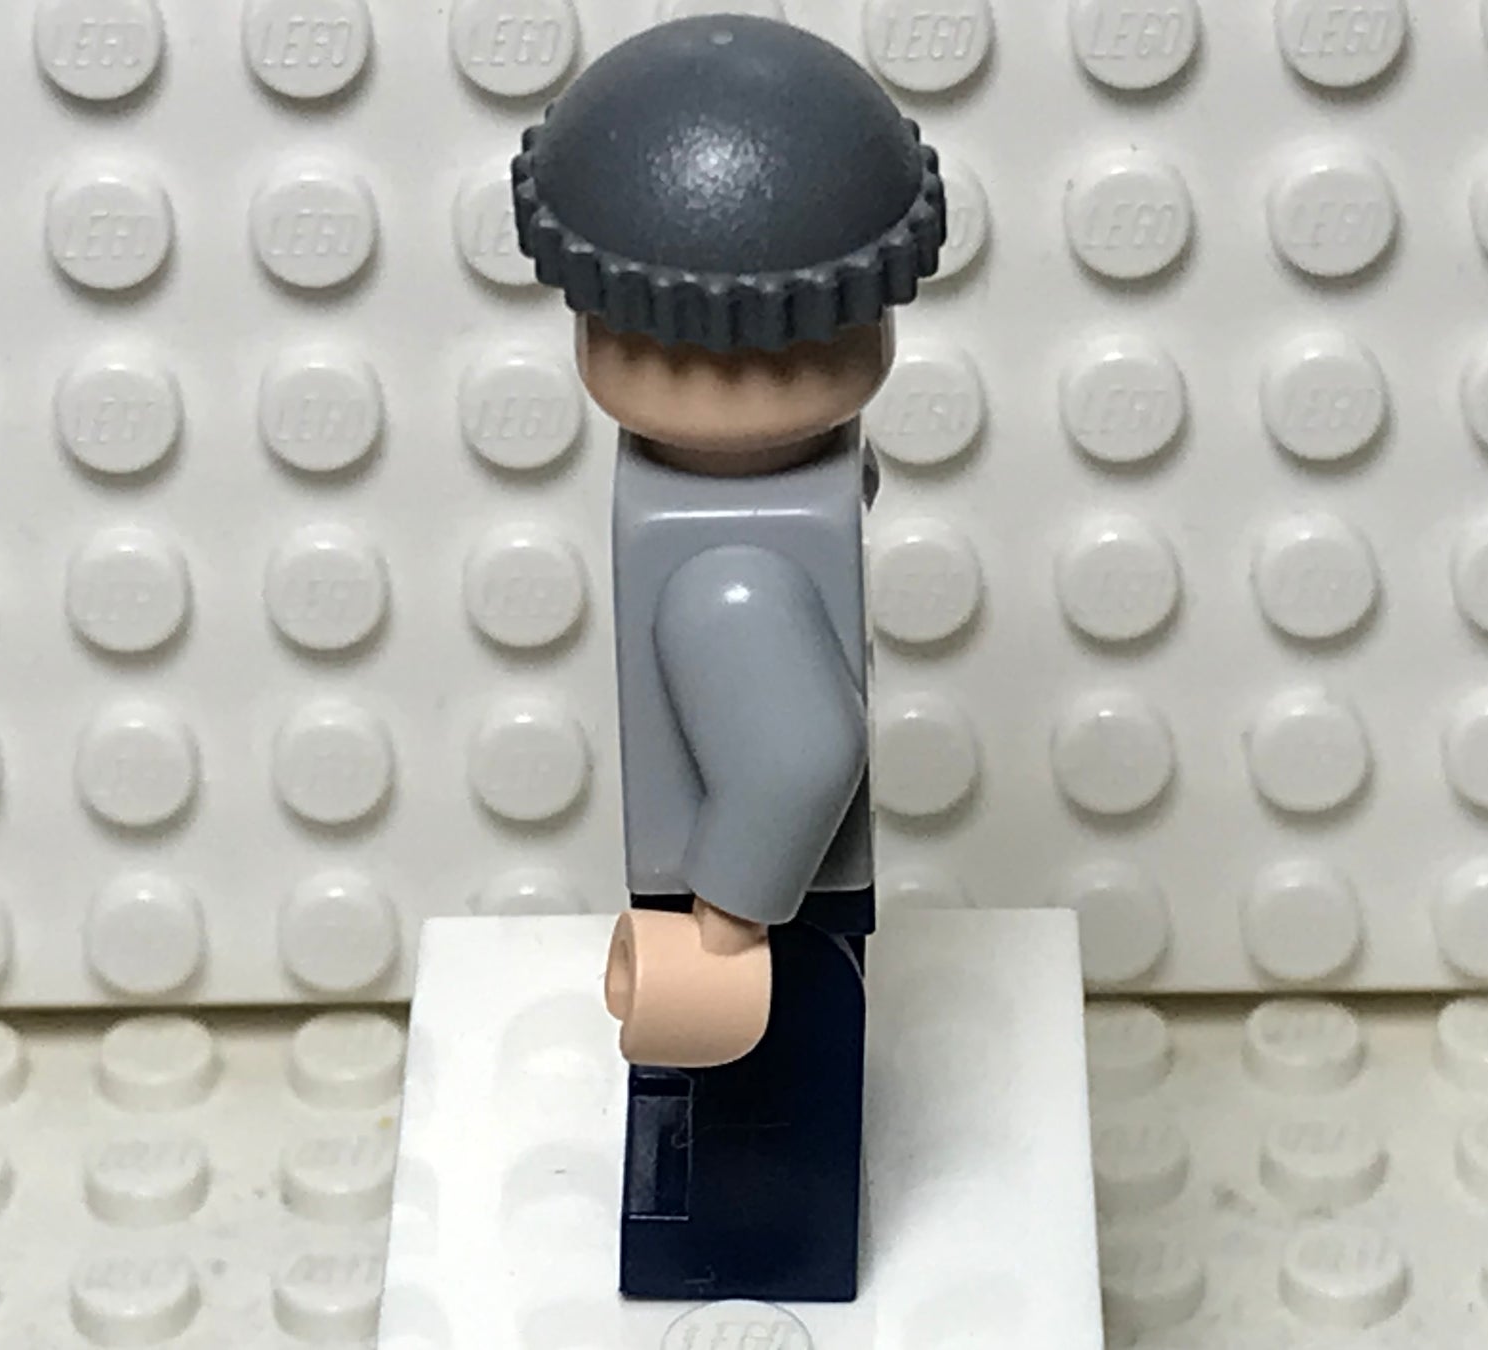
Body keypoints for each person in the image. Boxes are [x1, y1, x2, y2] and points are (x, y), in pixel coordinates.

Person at [512, 13, 945, 1302]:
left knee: (741, 1166)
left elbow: (800, 751)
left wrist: (724, 920)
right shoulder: (762, 501)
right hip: (754, 893)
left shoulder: (722, 574)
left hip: (752, 914)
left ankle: (743, 1283)